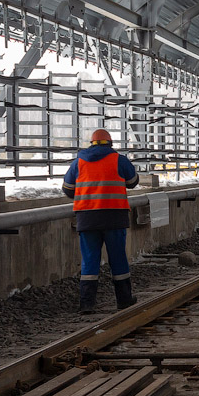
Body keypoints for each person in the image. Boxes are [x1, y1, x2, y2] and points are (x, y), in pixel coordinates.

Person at [62, 128, 140, 314]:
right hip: (114, 217)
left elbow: (67, 189)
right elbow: (133, 181)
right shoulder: (118, 160)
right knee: (118, 258)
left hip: (87, 218)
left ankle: (87, 304)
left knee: (89, 260)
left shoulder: (79, 162)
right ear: (110, 143)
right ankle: (124, 300)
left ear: (92, 143)